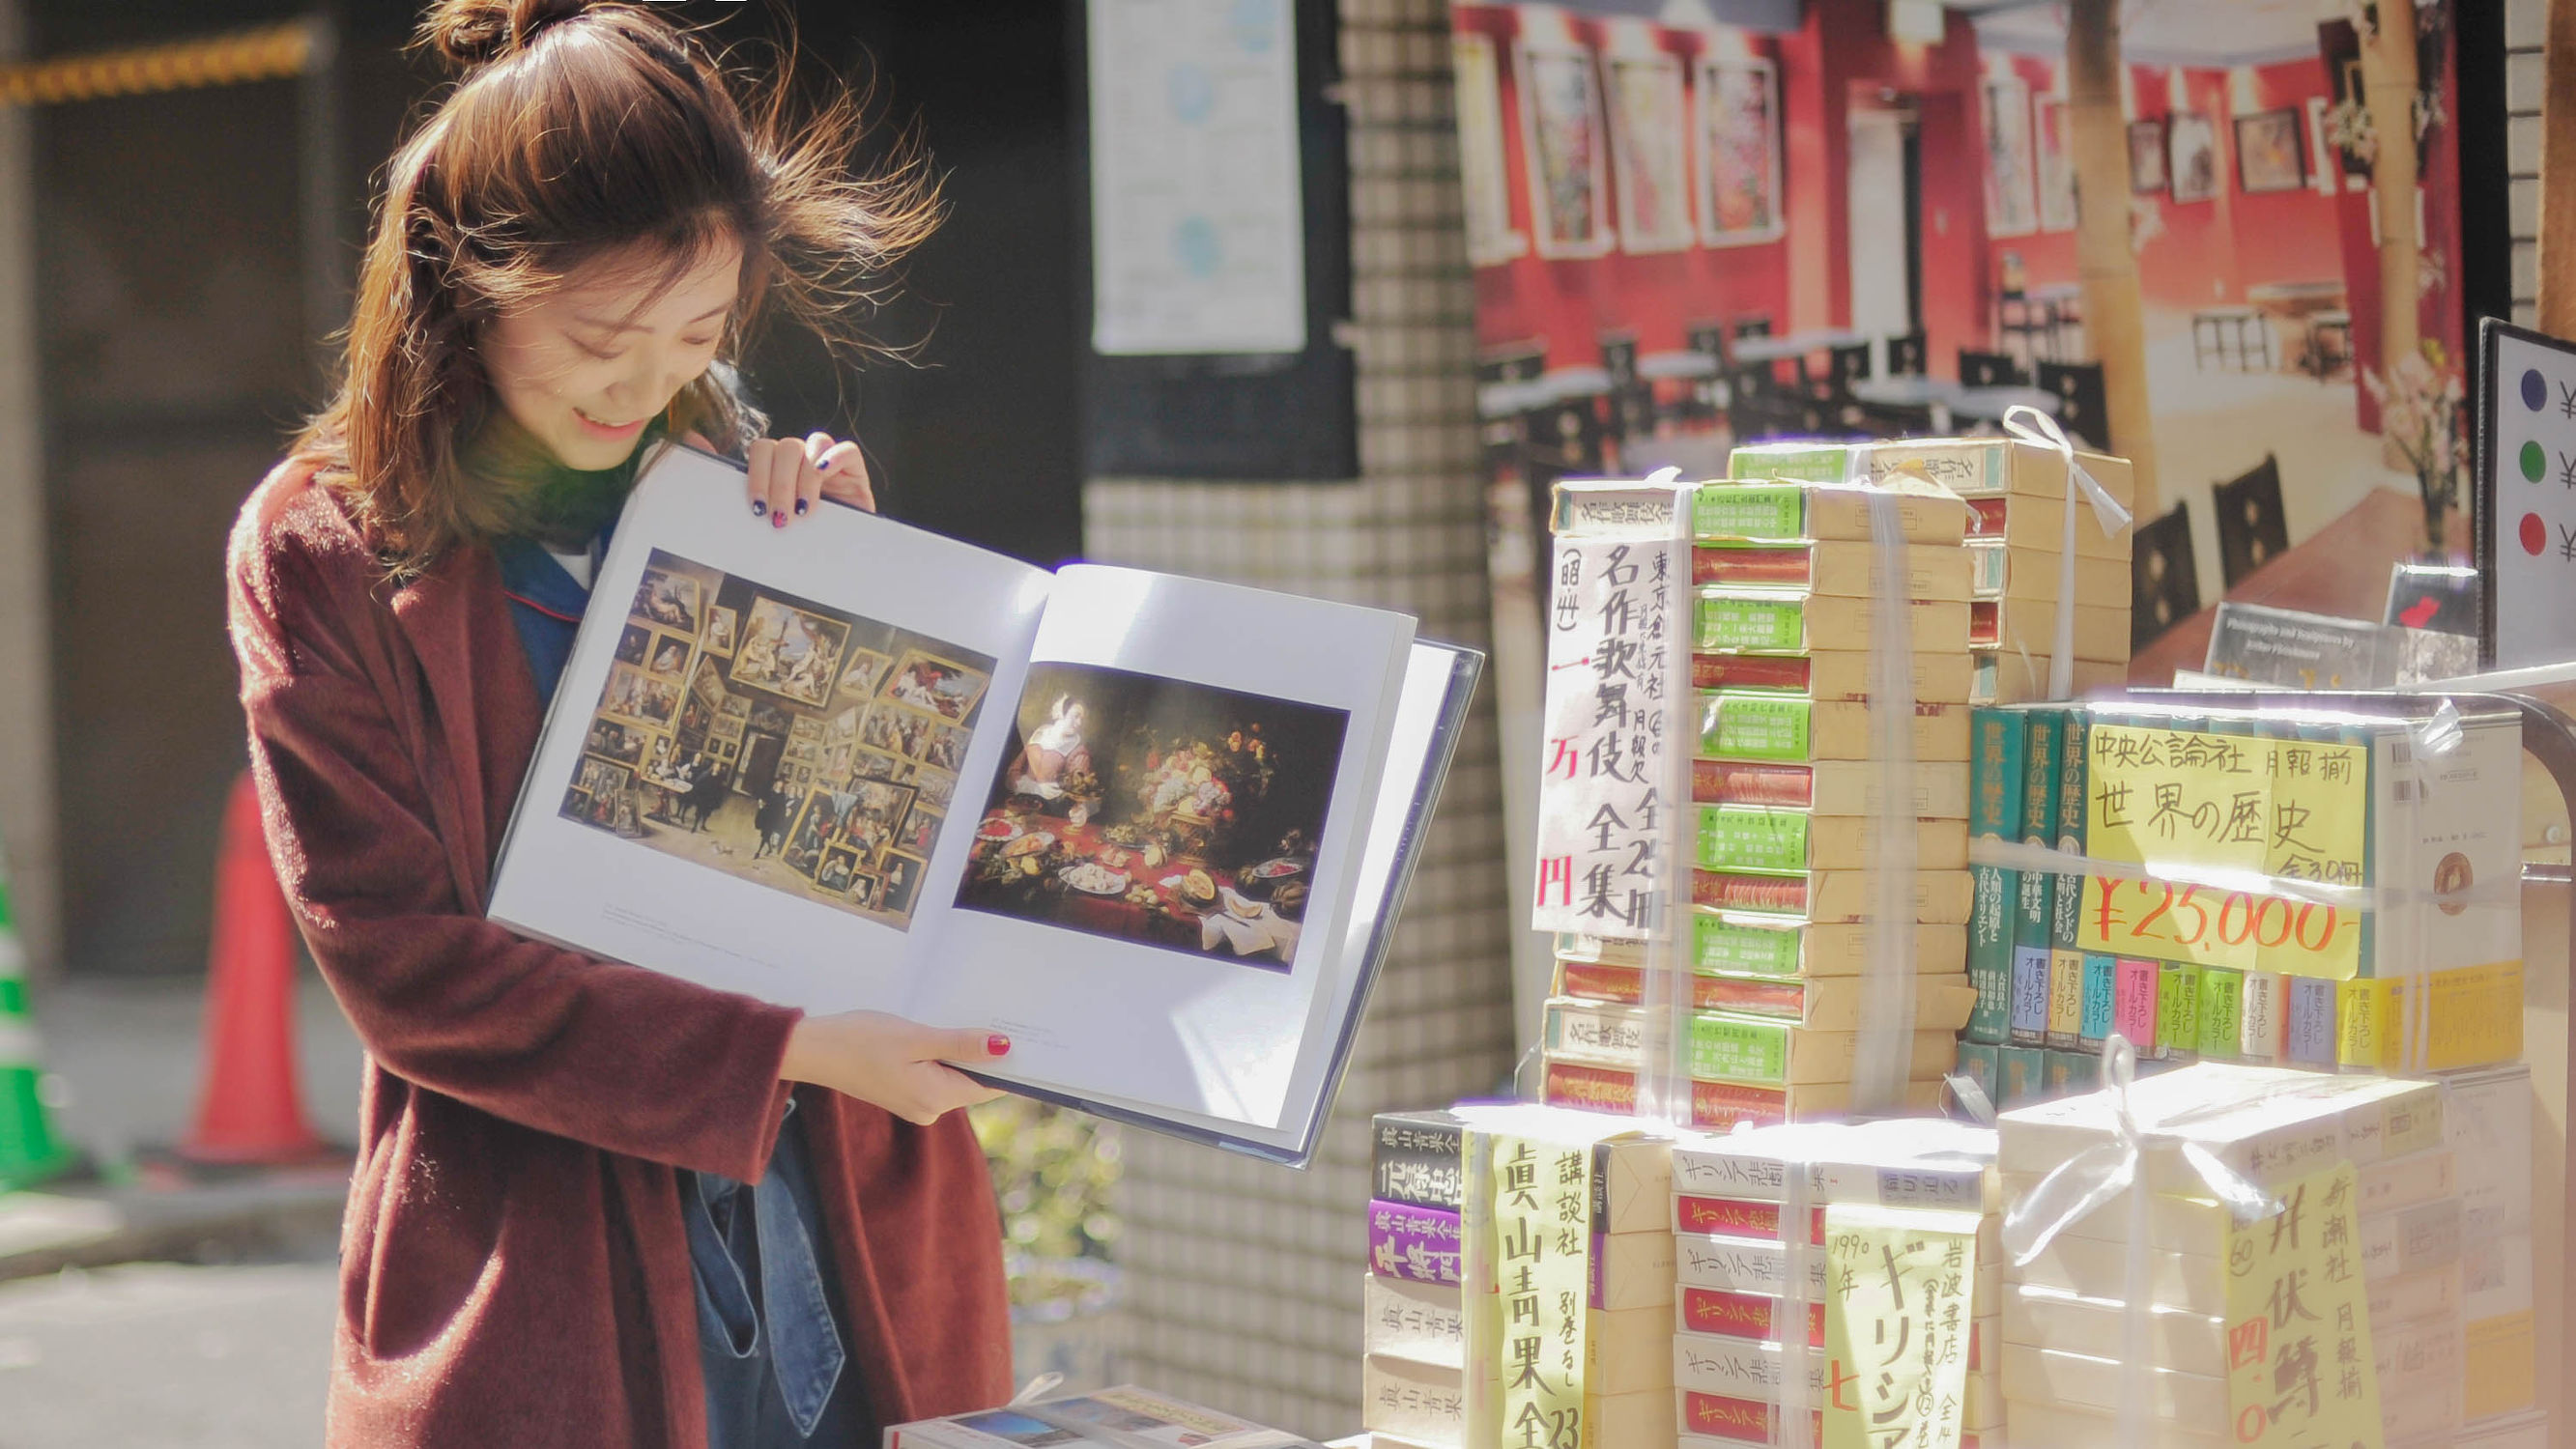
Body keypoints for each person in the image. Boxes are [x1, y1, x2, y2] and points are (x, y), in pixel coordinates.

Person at [224, 4, 1012, 1444]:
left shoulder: (737, 485)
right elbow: (406, 971)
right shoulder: (324, 541)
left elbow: (857, 850)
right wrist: (786, 1049)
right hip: (544, 1279)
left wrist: (847, 602)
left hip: (848, 1243)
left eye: (697, 334)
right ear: (460, 283)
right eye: (598, 336)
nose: (643, 382)